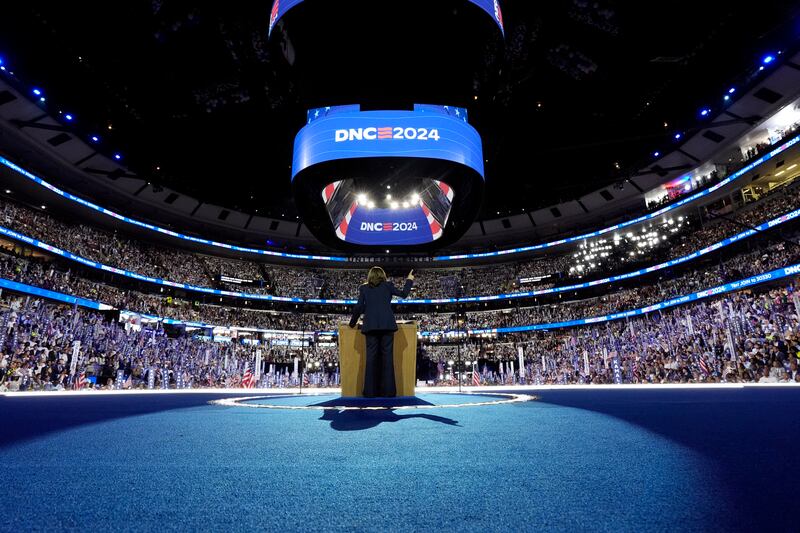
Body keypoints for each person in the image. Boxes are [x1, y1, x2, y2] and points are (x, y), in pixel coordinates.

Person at [349, 267, 414, 397]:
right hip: (387, 326)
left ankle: (370, 392)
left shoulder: (364, 288)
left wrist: (352, 323)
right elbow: (404, 294)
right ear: (383, 276)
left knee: (370, 359)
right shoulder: (388, 286)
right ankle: (389, 392)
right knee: (387, 359)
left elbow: (359, 307)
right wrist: (409, 280)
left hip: (371, 327)